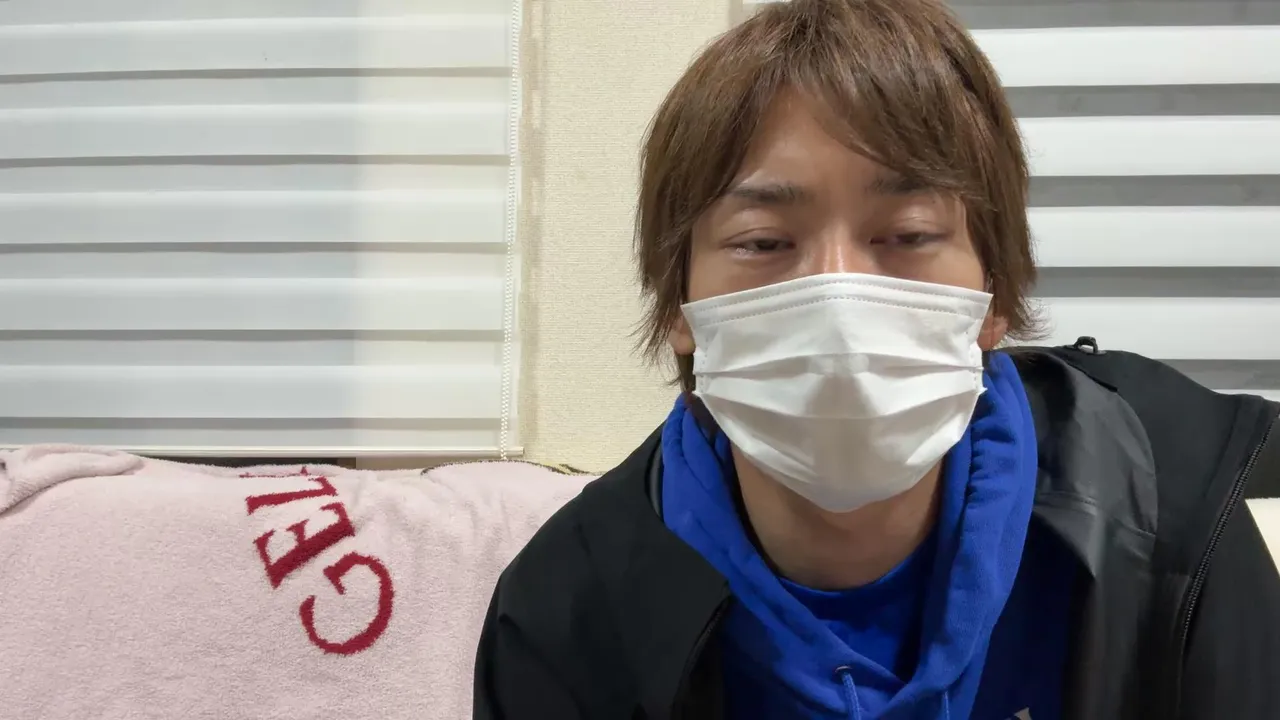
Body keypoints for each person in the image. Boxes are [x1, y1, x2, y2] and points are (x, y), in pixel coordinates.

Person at [473, 0, 1280, 717]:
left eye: (907, 235)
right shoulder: (565, 607)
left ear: (993, 295)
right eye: (763, 242)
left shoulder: (1172, 517)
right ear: (680, 306)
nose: (838, 298)